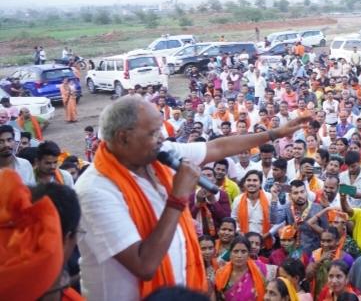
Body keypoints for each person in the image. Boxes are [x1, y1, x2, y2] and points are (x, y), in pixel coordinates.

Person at [74, 96, 308, 300]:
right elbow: (144, 264)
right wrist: (178, 197)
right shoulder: (97, 189)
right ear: (123, 137)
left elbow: (217, 148)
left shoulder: (157, 154)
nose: (162, 136)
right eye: (153, 132)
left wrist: (274, 134)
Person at [214, 236, 267, 301]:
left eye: (243, 252)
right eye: (236, 251)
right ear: (230, 253)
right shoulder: (221, 273)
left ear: (248, 254)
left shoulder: (259, 270)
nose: (239, 256)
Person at [189, 166, 231, 237]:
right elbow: (189, 219)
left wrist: (213, 201)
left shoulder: (222, 195)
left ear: (214, 179)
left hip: (219, 235)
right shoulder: (193, 195)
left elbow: (226, 218)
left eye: (209, 175)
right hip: (197, 235)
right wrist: (198, 203)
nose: (206, 178)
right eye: (203, 176)